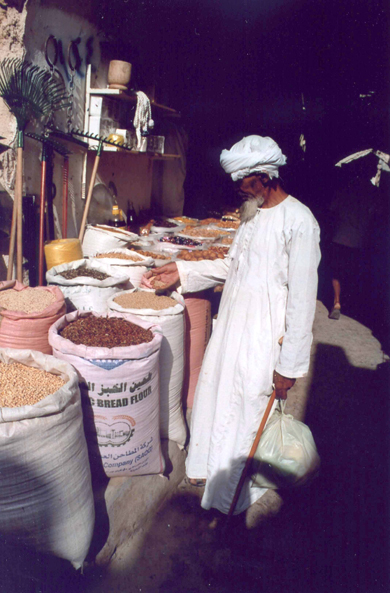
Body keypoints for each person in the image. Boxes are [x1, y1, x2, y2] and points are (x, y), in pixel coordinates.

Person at [142, 135, 321, 515]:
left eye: (242, 182)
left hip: (263, 335)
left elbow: (304, 302)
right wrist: (182, 269)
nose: (237, 190)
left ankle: (229, 498)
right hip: (232, 328)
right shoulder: (252, 215)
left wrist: (288, 366)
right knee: (221, 396)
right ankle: (210, 473)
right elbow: (232, 266)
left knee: (248, 406)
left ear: (263, 176)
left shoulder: (300, 222)